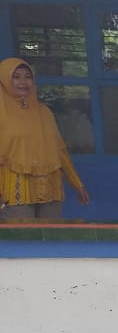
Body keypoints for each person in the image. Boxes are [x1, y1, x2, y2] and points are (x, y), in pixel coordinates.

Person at [0, 57, 89, 220]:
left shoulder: (44, 112)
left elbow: (59, 150)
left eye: (28, 77)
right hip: (15, 187)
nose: (23, 82)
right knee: (22, 233)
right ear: (4, 80)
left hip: (49, 185)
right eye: (16, 77)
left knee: (51, 232)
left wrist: (77, 183)